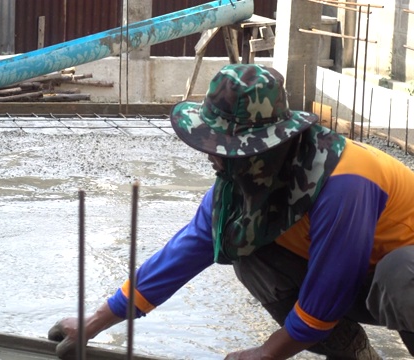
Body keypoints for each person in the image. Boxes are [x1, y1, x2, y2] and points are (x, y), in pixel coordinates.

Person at [47, 64, 414, 360]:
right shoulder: (243, 183)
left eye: (222, 147)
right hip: (362, 282)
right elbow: (182, 254)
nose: (211, 157)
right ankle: (354, 354)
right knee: (242, 247)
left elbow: (329, 290)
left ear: (268, 146)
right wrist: (95, 321)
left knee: (399, 276)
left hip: (398, 283)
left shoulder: (347, 182)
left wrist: (267, 353)